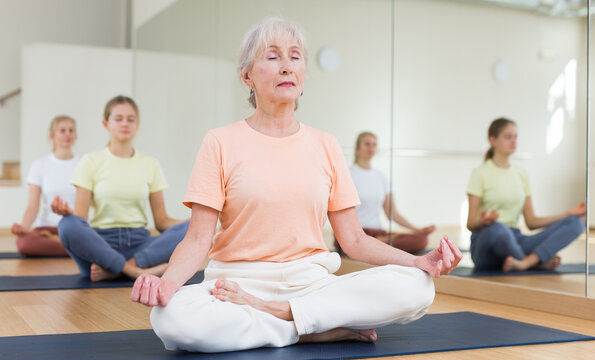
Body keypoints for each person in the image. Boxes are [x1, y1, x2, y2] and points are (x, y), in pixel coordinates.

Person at [131, 18, 462, 353]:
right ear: (247, 76)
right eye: (272, 57)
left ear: (303, 75)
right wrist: (167, 283)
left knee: (418, 287)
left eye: (295, 56)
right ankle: (307, 329)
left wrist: (417, 262)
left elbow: (355, 240)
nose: (286, 66)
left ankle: (284, 316)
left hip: (311, 285)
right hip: (235, 285)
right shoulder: (219, 142)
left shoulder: (326, 144)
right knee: (170, 320)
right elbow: (199, 238)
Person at [51, 95, 189, 282]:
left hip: (140, 245)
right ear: (105, 123)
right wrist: (69, 214)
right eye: (118, 119)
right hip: (101, 248)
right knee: (67, 225)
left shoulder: (150, 164)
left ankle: (117, 269)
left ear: (137, 124)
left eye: (130, 119)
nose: (125, 123)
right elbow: (80, 219)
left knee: (194, 227)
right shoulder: (90, 161)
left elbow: (162, 221)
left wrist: (194, 222)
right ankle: (133, 271)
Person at [466, 117, 585, 272]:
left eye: (515, 137)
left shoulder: (521, 174)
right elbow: (470, 223)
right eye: (508, 137)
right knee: (498, 229)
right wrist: (484, 221)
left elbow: (531, 221)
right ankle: (536, 263)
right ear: (493, 140)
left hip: (516, 240)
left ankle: (525, 262)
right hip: (485, 242)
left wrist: (568, 213)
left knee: (575, 223)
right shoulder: (480, 173)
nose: (514, 141)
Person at [334, 131, 435, 254]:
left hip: (378, 233)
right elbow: (339, 213)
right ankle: (374, 244)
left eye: (374, 144)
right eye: (367, 144)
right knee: (350, 242)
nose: (371, 148)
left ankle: (377, 244)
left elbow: (392, 213)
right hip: (355, 233)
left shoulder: (382, 177)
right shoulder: (347, 174)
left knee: (421, 240)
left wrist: (417, 230)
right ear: (357, 149)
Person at [11, 116, 79, 256]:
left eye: (71, 130)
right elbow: (32, 206)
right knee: (24, 243)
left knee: (102, 239)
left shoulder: (84, 164)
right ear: (52, 136)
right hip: (47, 229)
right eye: (62, 130)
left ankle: (63, 242)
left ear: (75, 136)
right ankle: (75, 250)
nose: (68, 134)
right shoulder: (39, 165)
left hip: (75, 229)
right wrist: (24, 228)